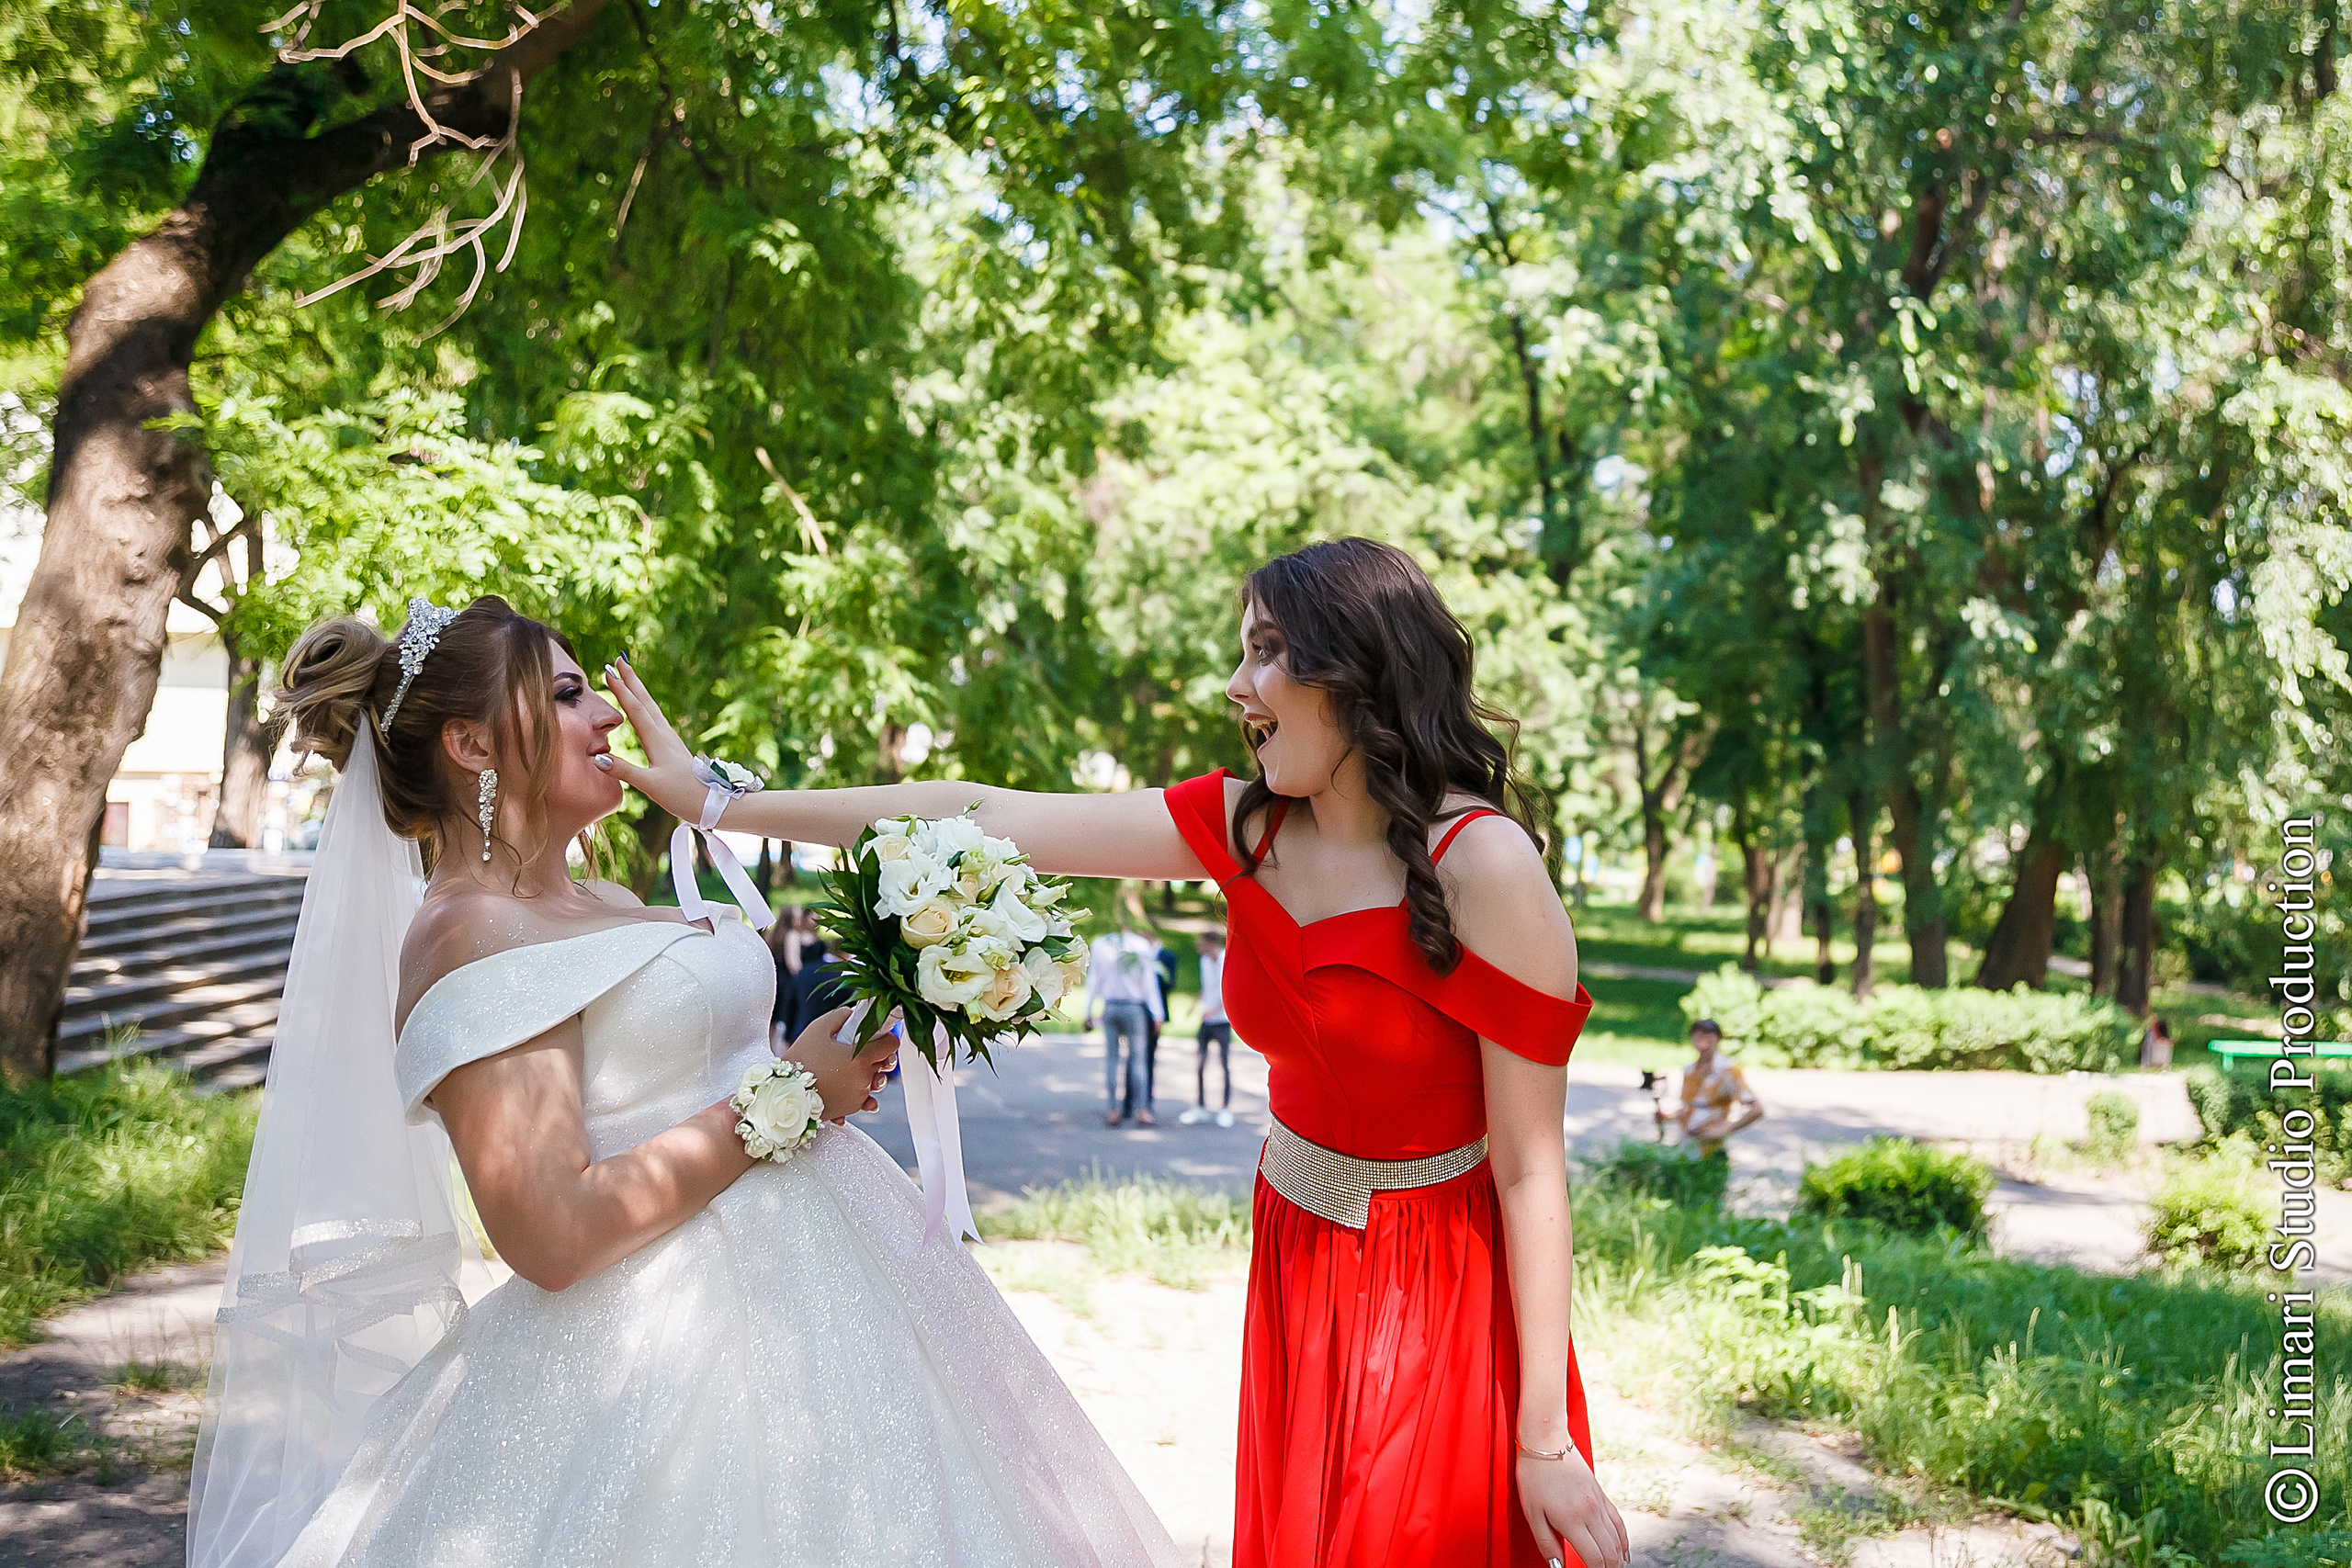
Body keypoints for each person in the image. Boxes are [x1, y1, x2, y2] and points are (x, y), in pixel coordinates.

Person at [605, 536, 1630, 1568]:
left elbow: (1530, 1164)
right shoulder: (1247, 828)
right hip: (1300, 1252)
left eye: (1267, 652)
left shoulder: (1483, 863)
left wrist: (1540, 1439)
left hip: (1435, 1282)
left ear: (1355, 666)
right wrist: (718, 805)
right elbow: (980, 816)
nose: (1236, 687)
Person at [188, 598, 1180, 1568]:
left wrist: (836, 1031)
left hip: (835, 1308)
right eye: (569, 693)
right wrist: (787, 1097)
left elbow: (686, 1068)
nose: (608, 716)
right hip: (667, 1354)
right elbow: (550, 1231)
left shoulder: (606, 899)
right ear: (474, 746)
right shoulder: (468, 934)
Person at [1089, 919, 1166, 1127]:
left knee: (1112, 1060)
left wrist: (1088, 1010)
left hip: (1111, 1006)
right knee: (1138, 1061)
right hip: (1134, 1007)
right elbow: (1149, 983)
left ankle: (1113, 1109)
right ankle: (1141, 1110)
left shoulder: (1101, 945)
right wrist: (1157, 1013)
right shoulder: (1140, 946)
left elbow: (1094, 979)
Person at [1670, 1019, 1764, 1156]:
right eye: (1698, 1036)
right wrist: (1669, 1116)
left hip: (1710, 1151)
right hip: (1686, 1147)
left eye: (1708, 1036)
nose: (1703, 1041)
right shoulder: (1690, 1070)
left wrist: (1723, 1129)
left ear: (1717, 1039)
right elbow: (1690, 1107)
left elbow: (1757, 1109)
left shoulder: (1727, 1071)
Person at [1180, 926, 1238, 1128]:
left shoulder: (1224, 960)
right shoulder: (1204, 962)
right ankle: (1201, 1106)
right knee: (1200, 1063)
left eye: (1201, 943)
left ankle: (1225, 1108)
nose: (1198, 946)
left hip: (1222, 1020)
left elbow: (1228, 991)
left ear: (1210, 943)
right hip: (1207, 1020)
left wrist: (1212, 1010)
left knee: (1224, 1064)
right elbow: (1207, 988)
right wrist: (1195, 1005)